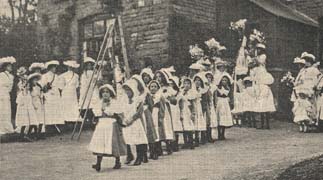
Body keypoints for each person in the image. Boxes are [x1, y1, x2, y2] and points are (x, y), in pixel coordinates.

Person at [89, 84, 126, 172]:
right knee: (100, 144)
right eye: (103, 92)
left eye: (107, 92)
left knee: (113, 143)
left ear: (111, 93)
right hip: (101, 125)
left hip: (111, 124)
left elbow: (118, 113)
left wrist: (111, 112)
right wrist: (98, 114)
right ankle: (98, 163)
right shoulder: (99, 103)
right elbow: (96, 113)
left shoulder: (114, 102)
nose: (105, 94)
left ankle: (117, 161)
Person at [122, 79, 148, 166]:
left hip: (135, 122)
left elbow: (139, 112)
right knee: (127, 138)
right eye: (126, 90)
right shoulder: (124, 100)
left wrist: (132, 119)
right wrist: (124, 119)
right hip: (126, 122)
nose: (127, 92)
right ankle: (129, 155)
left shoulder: (138, 100)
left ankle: (139, 157)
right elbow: (121, 110)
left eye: (129, 90)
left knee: (138, 139)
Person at [132, 74, 158, 162]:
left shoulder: (145, 93)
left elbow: (151, 104)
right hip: (137, 115)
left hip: (145, 113)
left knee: (149, 133)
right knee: (140, 134)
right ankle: (142, 155)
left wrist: (147, 112)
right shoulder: (133, 94)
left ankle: (153, 152)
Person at [251, 44, 276, 129]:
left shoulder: (263, 56)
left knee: (266, 104)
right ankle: (262, 124)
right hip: (259, 81)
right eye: (257, 49)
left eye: (259, 49)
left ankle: (267, 124)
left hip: (263, 81)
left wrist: (254, 58)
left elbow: (259, 62)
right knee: (261, 105)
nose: (257, 50)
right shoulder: (256, 66)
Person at [154, 70, 175, 155]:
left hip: (165, 109)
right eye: (157, 77)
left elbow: (173, 99)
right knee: (158, 127)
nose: (158, 79)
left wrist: (168, 99)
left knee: (165, 125)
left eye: (160, 77)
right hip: (156, 110)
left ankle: (169, 145)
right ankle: (158, 147)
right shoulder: (154, 87)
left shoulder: (167, 88)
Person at [41, 60, 64, 130]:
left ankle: (54, 124)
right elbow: (43, 86)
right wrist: (47, 87)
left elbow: (60, 86)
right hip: (49, 94)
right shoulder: (45, 76)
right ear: (50, 68)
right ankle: (48, 124)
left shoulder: (56, 76)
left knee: (55, 109)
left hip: (56, 94)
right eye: (53, 67)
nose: (55, 69)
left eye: (55, 67)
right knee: (49, 109)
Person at [79, 57, 100, 125]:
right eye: (87, 65)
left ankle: (95, 118)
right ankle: (88, 118)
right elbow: (83, 83)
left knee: (94, 103)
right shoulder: (83, 74)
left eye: (90, 65)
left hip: (93, 90)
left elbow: (97, 80)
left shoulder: (94, 72)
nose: (89, 66)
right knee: (86, 104)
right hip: (86, 91)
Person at [178, 78, 196, 149]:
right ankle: (186, 142)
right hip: (183, 110)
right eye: (185, 83)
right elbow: (179, 101)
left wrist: (193, 113)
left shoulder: (192, 93)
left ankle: (191, 142)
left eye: (188, 84)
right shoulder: (181, 92)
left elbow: (193, 103)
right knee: (184, 127)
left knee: (190, 126)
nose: (186, 85)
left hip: (188, 111)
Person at [215, 74, 234, 140]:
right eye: (222, 80)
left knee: (224, 118)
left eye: (225, 80)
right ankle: (219, 134)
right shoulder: (218, 88)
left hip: (225, 103)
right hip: (219, 103)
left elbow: (230, 96)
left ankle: (222, 133)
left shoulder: (228, 88)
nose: (224, 81)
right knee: (219, 117)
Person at [0, 57, 16, 135]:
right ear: (5, 67)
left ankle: (7, 128)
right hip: (1, 94)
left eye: (11, 66)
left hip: (7, 94)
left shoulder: (11, 76)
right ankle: (2, 128)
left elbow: (10, 88)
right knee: (2, 111)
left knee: (7, 111)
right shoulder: (1, 75)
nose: (11, 67)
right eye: (9, 66)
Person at [168, 75, 183, 151]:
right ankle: (171, 144)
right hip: (169, 109)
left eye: (172, 83)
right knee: (170, 126)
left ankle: (175, 144)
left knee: (176, 127)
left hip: (175, 110)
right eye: (169, 83)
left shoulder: (179, 93)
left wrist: (181, 113)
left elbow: (180, 103)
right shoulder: (167, 91)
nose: (170, 84)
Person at [193, 73, 208, 145]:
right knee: (195, 121)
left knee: (201, 121)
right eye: (196, 80)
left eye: (199, 80)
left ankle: (203, 137)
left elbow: (205, 100)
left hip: (200, 107)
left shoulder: (203, 90)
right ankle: (196, 138)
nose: (197, 82)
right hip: (194, 106)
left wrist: (204, 107)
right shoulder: (192, 90)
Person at [204, 71, 217, 142]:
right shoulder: (204, 86)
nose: (208, 79)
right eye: (207, 77)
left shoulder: (213, 87)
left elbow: (215, 97)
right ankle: (204, 136)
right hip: (205, 104)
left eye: (210, 77)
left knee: (210, 120)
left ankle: (209, 136)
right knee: (205, 120)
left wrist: (215, 105)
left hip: (211, 104)